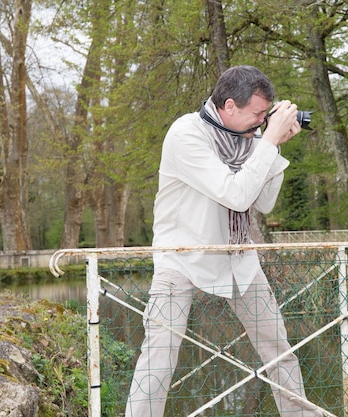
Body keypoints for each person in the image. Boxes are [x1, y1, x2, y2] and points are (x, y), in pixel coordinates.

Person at [125, 65, 322, 417]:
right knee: (160, 355)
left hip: (238, 258)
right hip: (181, 258)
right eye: (259, 114)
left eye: (267, 114)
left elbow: (262, 202)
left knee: (279, 350)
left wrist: (270, 146)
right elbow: (235, 195)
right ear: (230, 106)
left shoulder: (250, 137)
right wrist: (269, 143)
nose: (263, 121)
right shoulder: (186, 134)